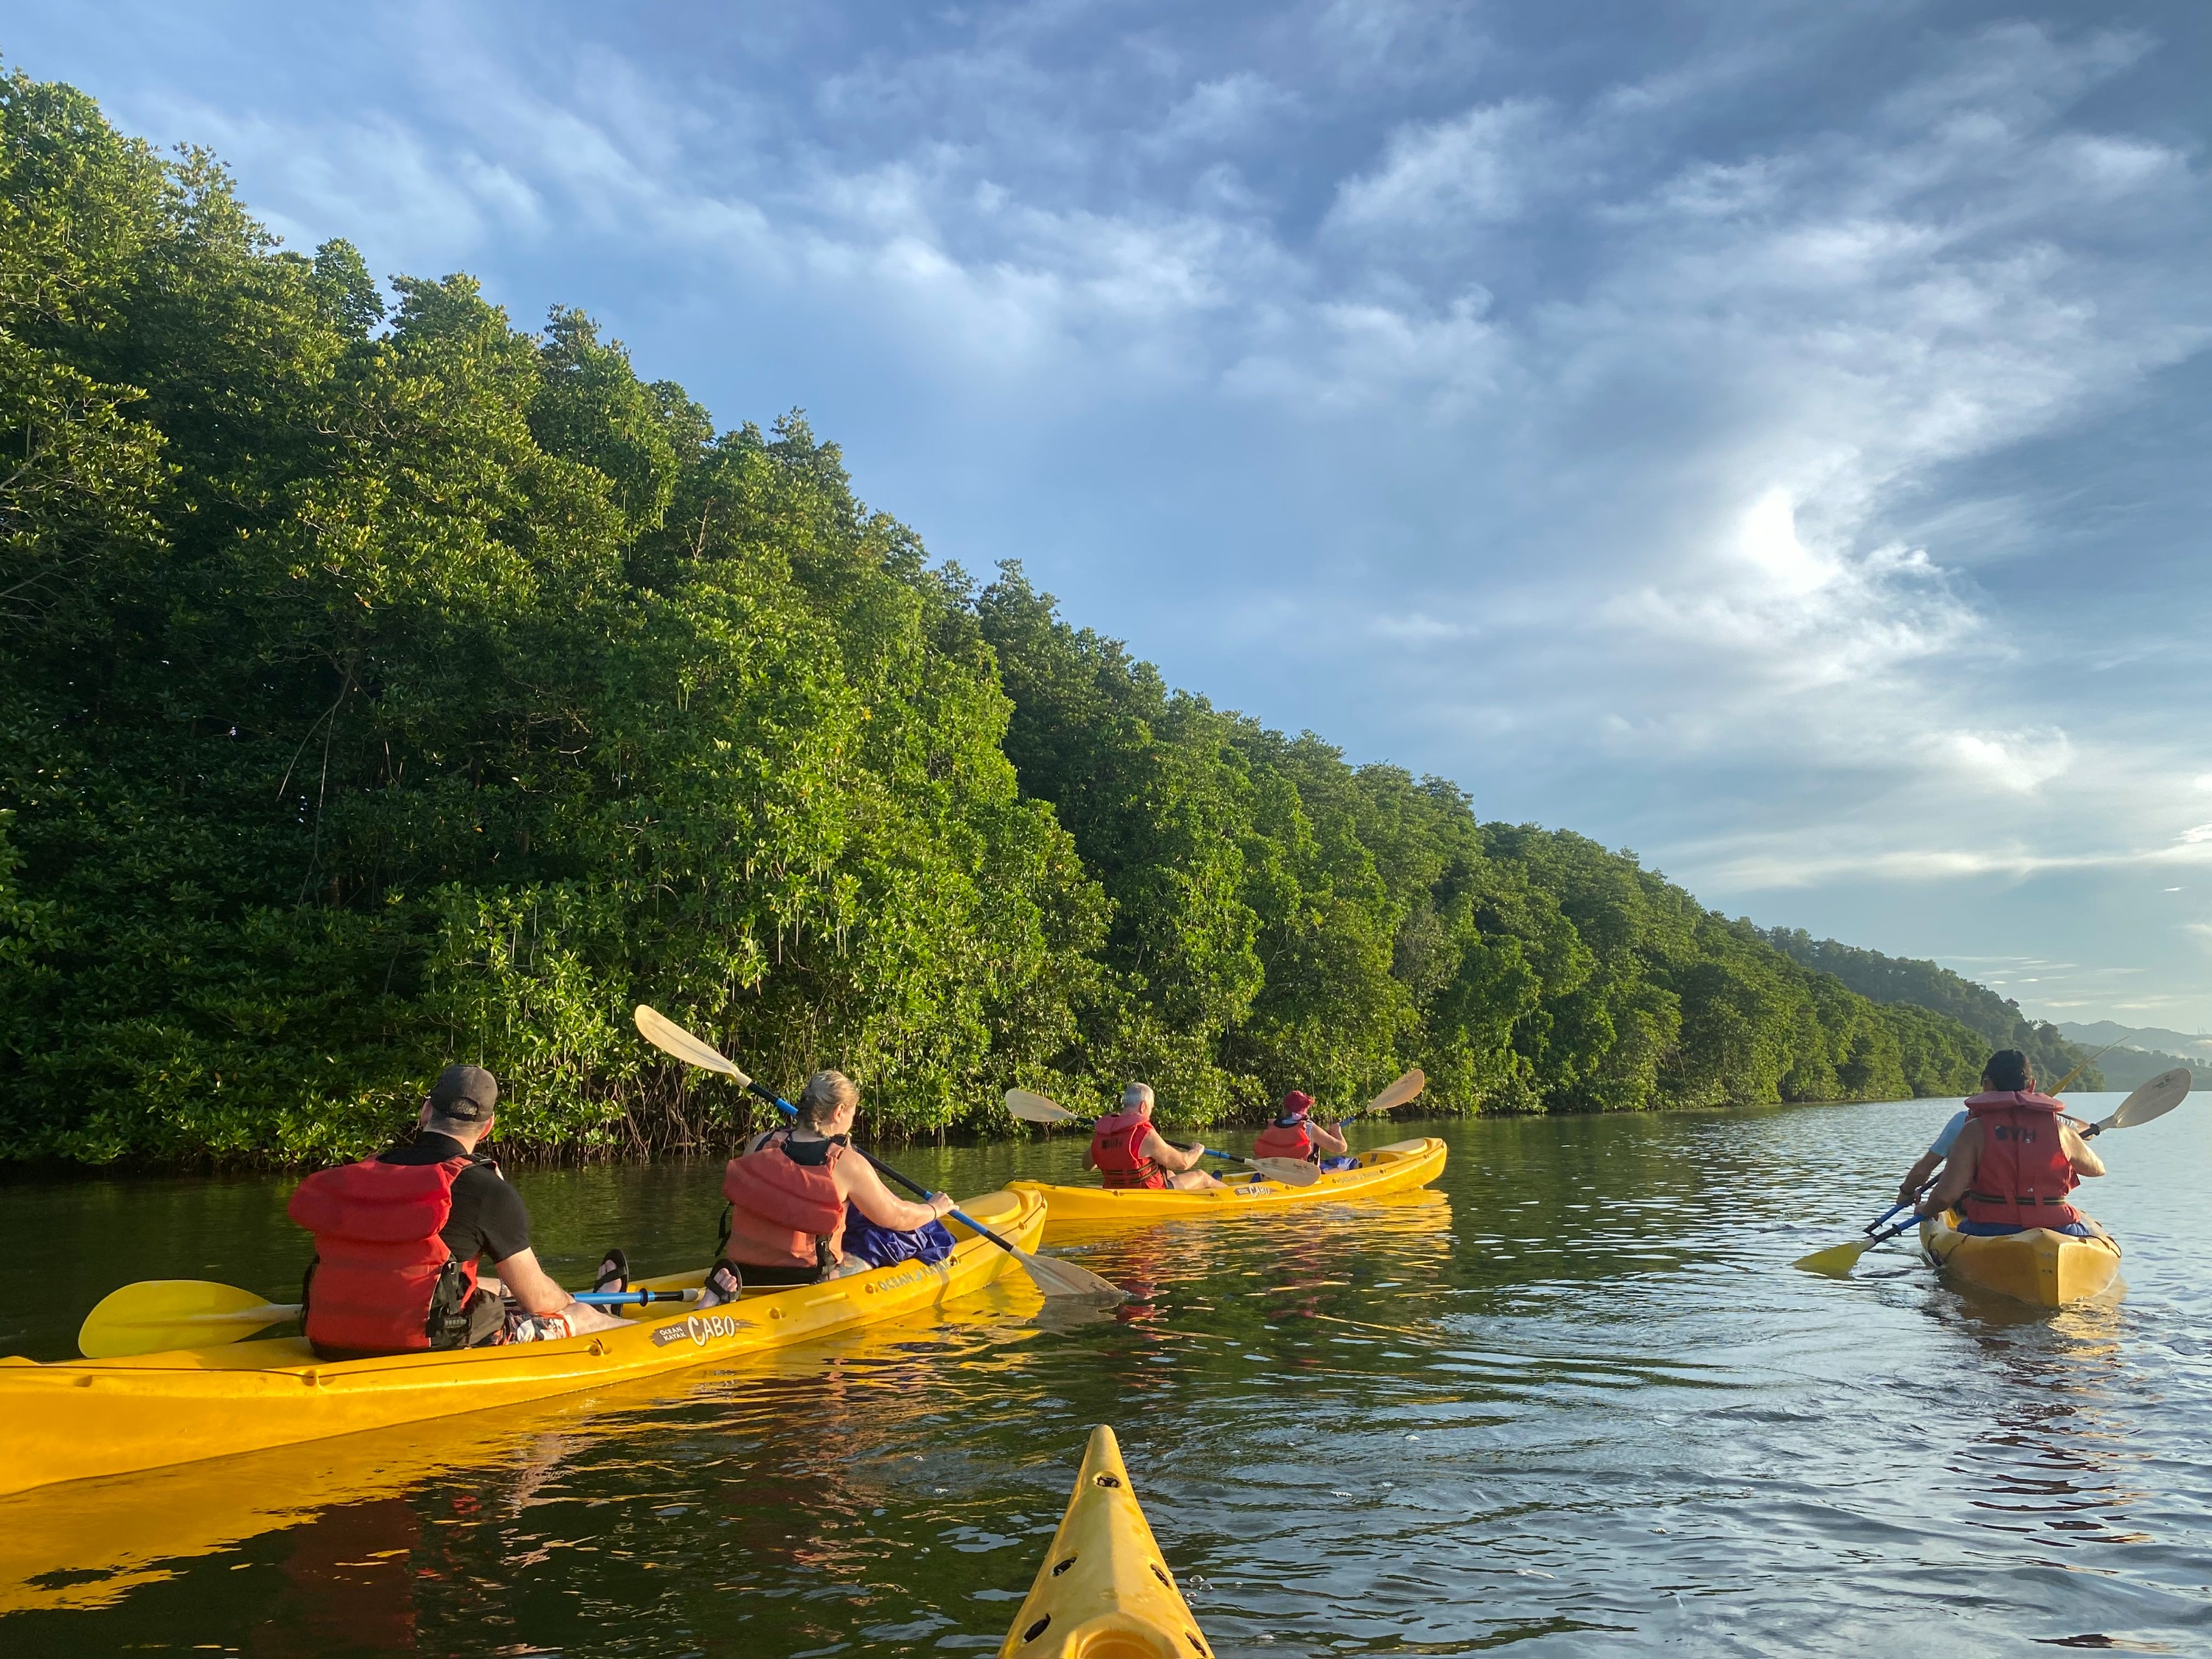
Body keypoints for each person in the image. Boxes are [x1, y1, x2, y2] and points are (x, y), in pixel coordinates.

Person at [288, 1064, 631, 1360]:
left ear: (425, 1111)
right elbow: (539, 1300)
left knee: (498, 1287)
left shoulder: (360, 1176)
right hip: (429, 1348)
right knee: (582, 1314)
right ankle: (613, 1317)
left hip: (329, 1342)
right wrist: (567, 1302)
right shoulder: (486, 1190)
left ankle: (600, 1300)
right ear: (488, 1126)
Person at [699, 1069, 957, 1307]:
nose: (851, 1124)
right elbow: (898, 1216)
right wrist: (934, 1208)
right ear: (838, 1112)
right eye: (852, 1116)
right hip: (806, 1279)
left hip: (743, 1272)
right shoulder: (846, 1163)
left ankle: (719, 1292)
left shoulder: (760, 1143)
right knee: (883, 1241)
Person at [1916, 1049, 2107, 1237]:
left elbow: (1945, 1196)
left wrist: (1926, 1210)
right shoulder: (2061, 1129)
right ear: (2032, 1086)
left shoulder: (1974, 1129)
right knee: (2087, 1229)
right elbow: (2097, 1169)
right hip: (2057, 1224)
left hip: (1990, 1227)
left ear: (1987, 1084)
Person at [1085, 1082, 1222, 1192]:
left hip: (1116, 1190)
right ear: (1143, 1106)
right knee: (1201, 1176)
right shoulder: (1145, 1133)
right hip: (1149, 1193)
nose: (1150, 1114)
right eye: (1151, 1108)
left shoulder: (1103, 1132)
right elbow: (1183, 1163)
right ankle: (1235, 1195)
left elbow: (1086, 1166)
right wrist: (1196, 1151)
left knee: (1169, 1173)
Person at [1253, 1090, 1352, 1167]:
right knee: (1346, 1163)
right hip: (1304, 1178)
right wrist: (1337, 1131)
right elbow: (1341, 1148)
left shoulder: (1274, 1125)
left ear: (1285, 1108)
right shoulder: (1310, 1128)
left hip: (1275, 1174)